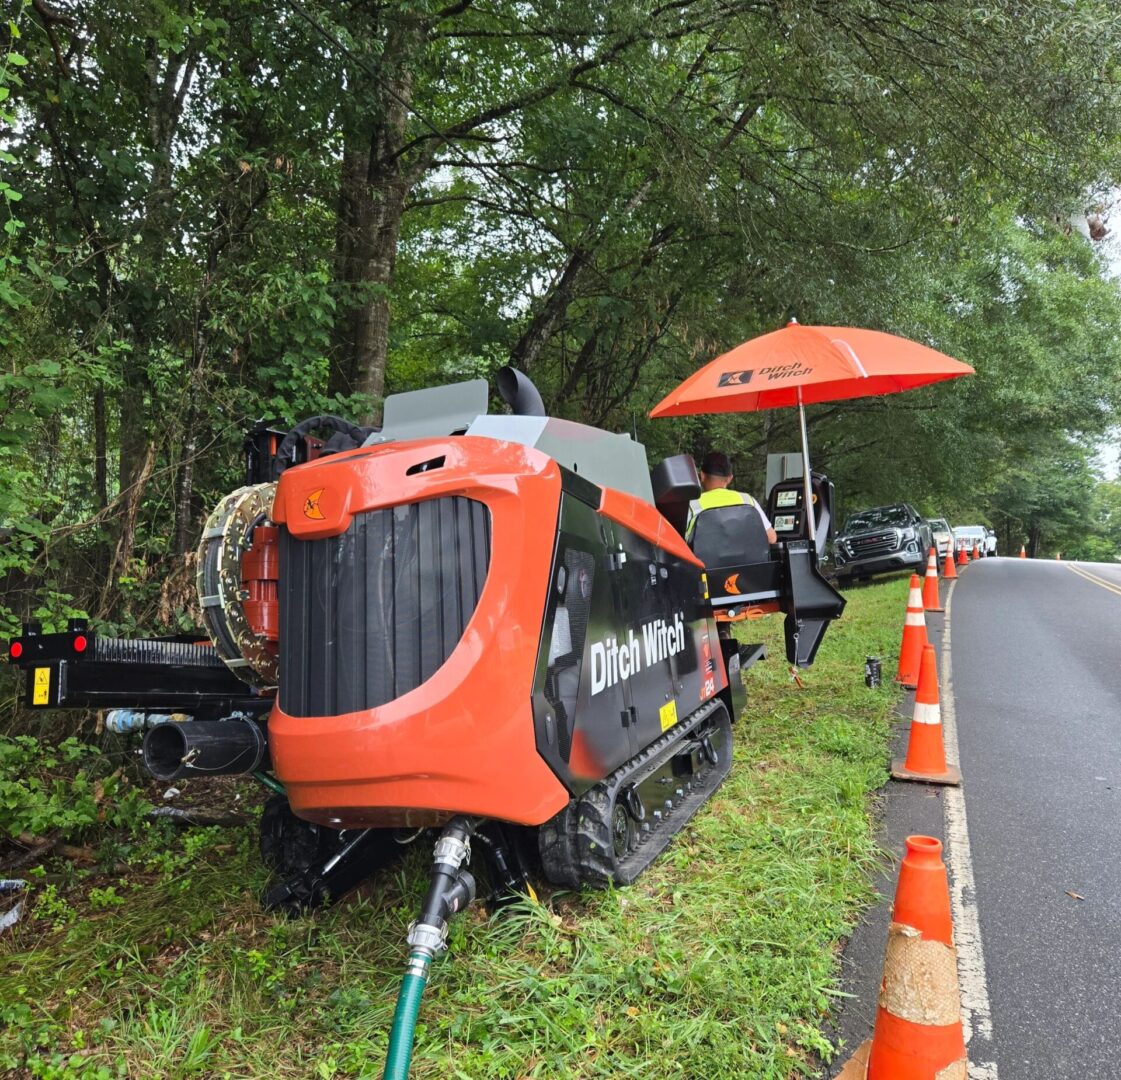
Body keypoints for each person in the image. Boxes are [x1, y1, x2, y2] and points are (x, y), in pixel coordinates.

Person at [686, 450, 777, 545]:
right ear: (730, 478)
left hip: (703, 560)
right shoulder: (748, 501)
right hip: (747, 560)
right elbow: (771, 538)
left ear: (702, 476)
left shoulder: (692, 505)